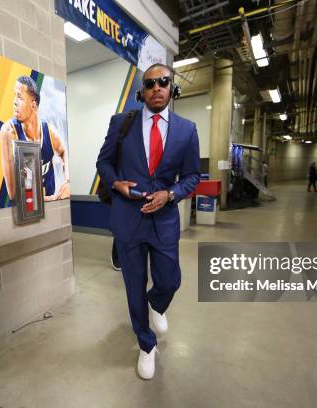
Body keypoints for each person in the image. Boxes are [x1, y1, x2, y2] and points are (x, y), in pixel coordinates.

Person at [96, 63, 200, 380]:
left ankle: (157, 303)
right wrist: (116, 184)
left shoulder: (186, 130)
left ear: (172, 88)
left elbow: (193, 176)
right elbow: (104, 162)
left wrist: (170, 194)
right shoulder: (121, 124)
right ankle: (146, 345)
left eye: (163, 82)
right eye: (151, 83)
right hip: (128, 220)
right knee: (133, 288)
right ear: (143, 91)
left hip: (165, 220)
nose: (157, 87)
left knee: (170, 280)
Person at [0, 76, 70, 202]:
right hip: (26, 213)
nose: (14, 101)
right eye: (14, 95)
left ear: (33, 105)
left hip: (52, 207)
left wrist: (67, 181)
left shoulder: (49, 131)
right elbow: (13, 195)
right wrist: (51, 198)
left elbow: (64, 152)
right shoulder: (9, 132)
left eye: (19, 97)